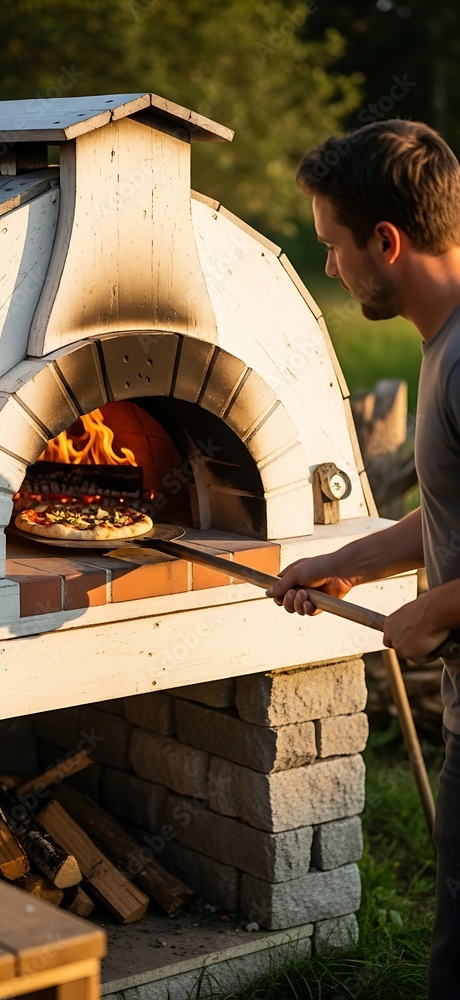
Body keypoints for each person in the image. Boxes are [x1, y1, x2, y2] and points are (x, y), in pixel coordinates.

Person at [265, 119, 460, 999]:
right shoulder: (441, 342)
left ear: (385, 240)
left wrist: (439, 609)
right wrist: (352, 561)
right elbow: (450, 513)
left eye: (333, 247)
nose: (332, 269)